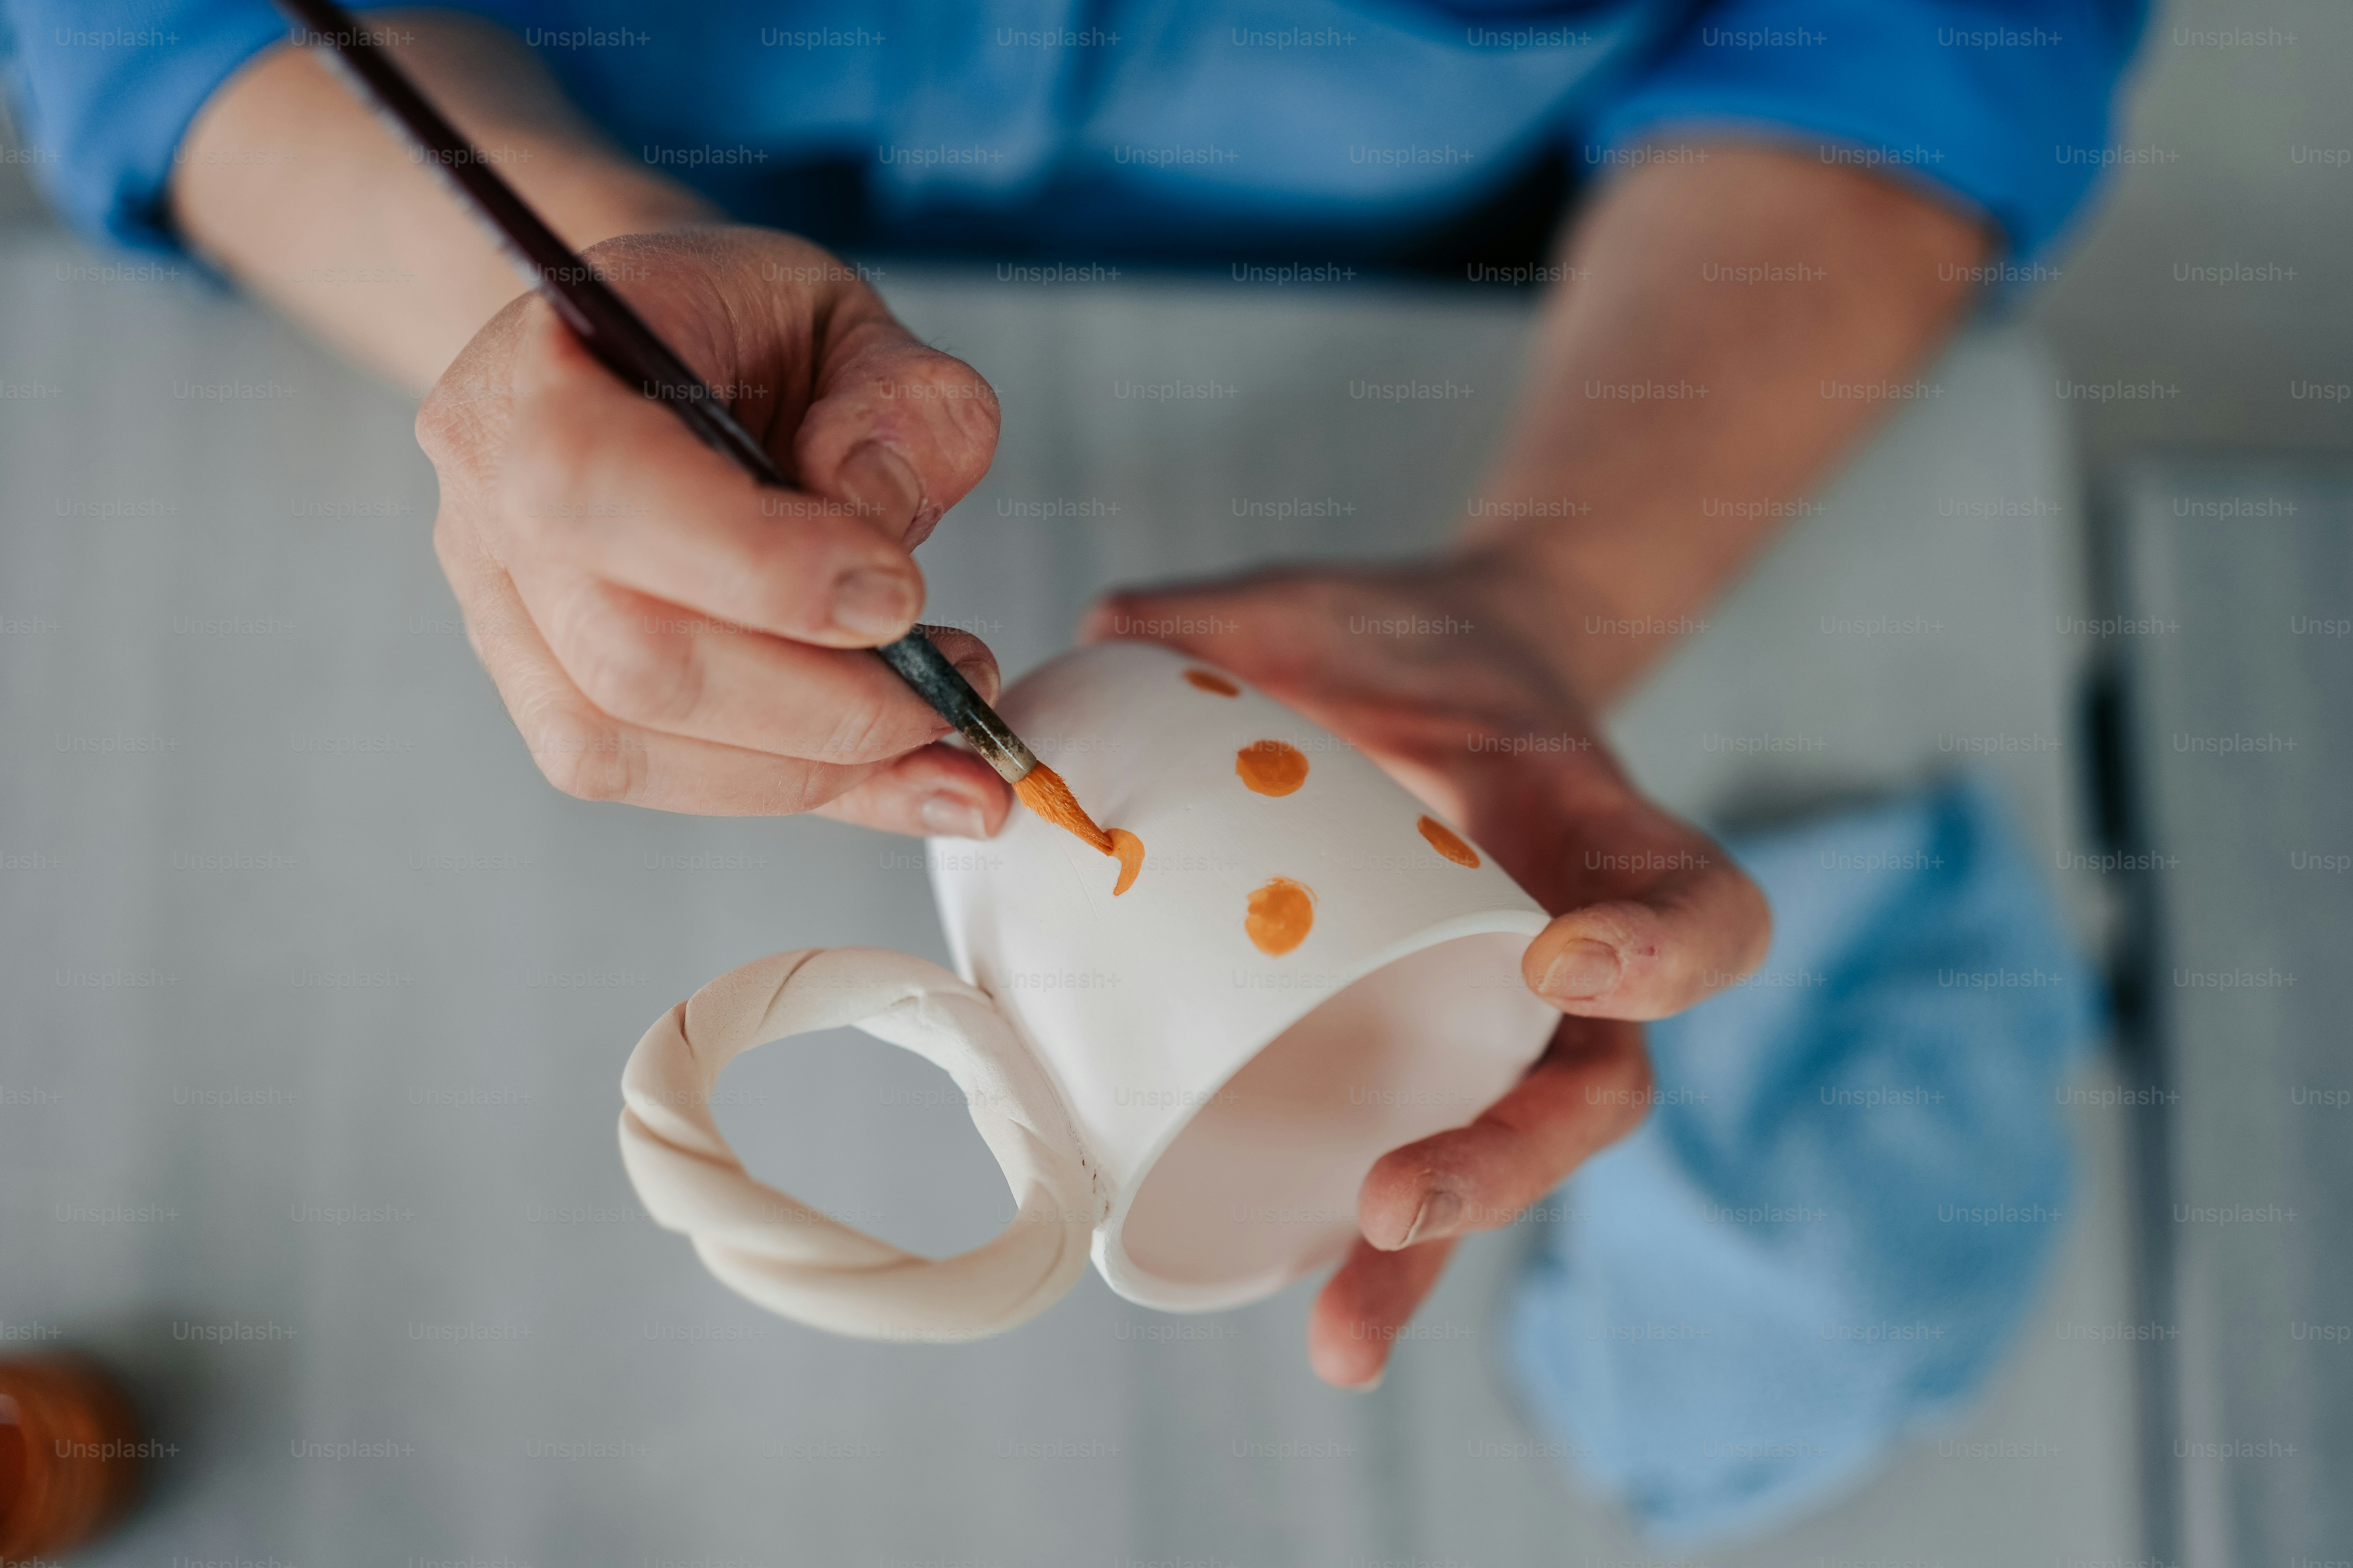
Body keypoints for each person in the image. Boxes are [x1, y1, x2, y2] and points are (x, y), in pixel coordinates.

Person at [2, 0, 2143, 1389]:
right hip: (475, 177)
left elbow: (1917, 47)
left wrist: (1560, 582)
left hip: (1467, 300)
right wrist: (540, 289)